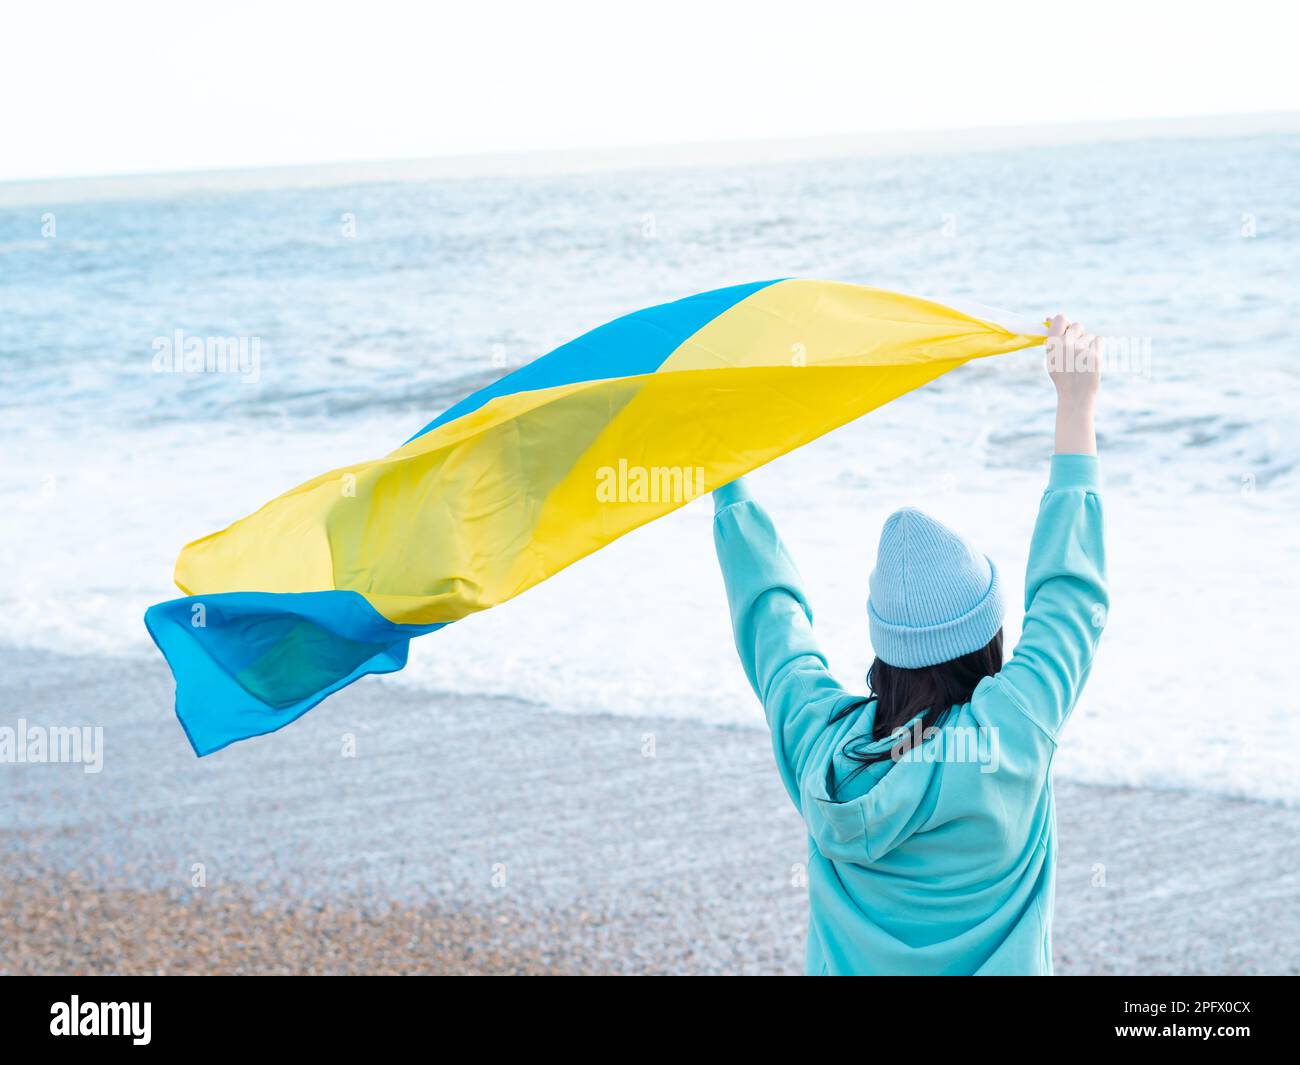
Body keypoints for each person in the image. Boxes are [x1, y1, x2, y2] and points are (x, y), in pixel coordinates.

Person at [712, 315, 1107, 975]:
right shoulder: (1011, 731)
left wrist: (726, 472)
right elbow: (1071, 597)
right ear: (987, 640)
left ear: (884, 645)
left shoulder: (823, 748)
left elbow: (771, 622)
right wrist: (1077, 401)